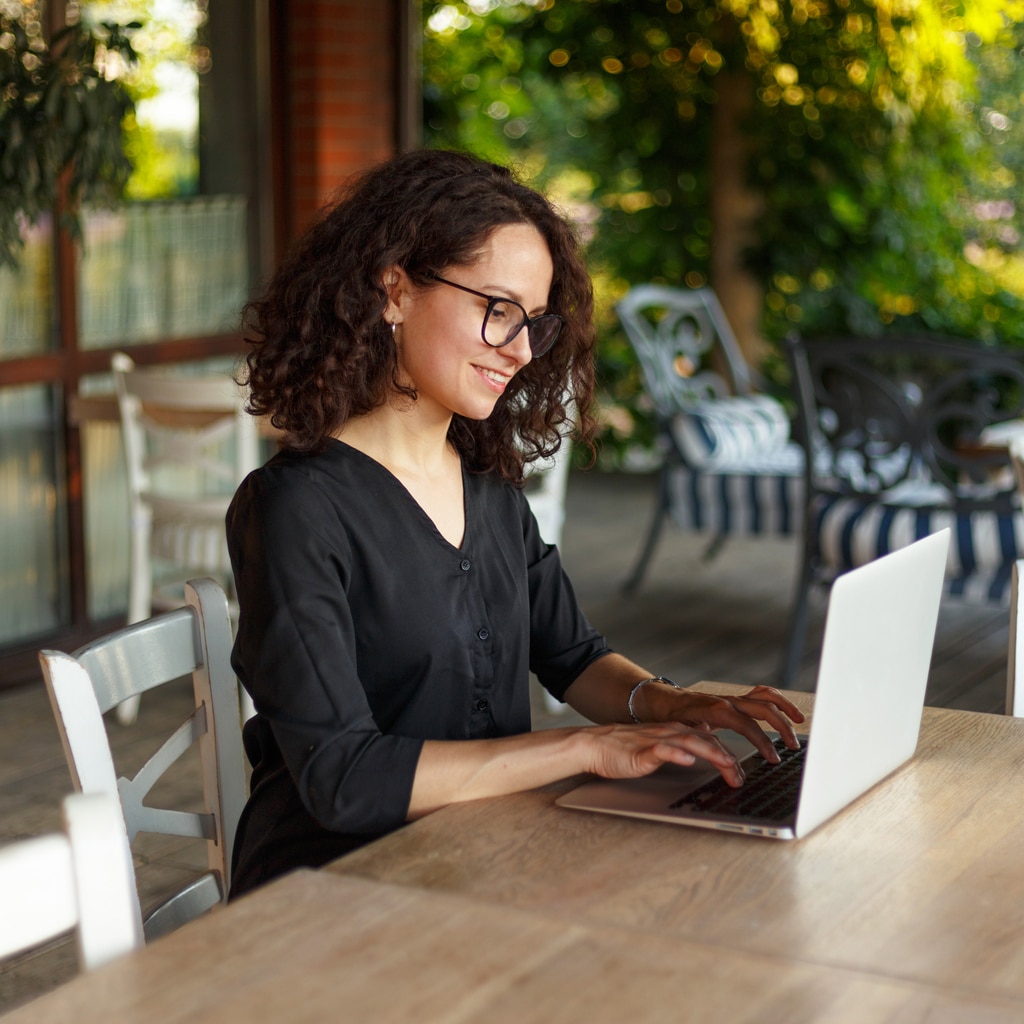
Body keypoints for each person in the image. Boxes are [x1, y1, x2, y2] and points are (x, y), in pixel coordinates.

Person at [226, 148, 804, 898]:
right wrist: (588, 750)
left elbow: (574, 658)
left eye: (534, 323)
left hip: (483, 858)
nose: (523, 350)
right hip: (336, 893)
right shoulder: (294, 508)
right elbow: (345, 779)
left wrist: (676, 705)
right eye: (497, 310)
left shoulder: (488, 487)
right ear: (393, 289)